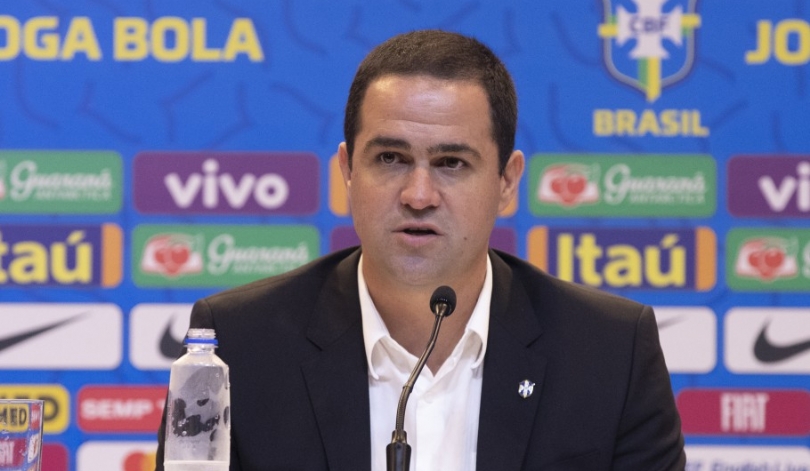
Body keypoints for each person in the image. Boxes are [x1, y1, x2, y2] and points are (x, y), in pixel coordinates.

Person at [156, 29, 685, 470]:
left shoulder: (608, 353)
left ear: (506, 181)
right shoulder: (239, 345)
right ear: (347, 170)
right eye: (390, 158)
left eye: (452, 163)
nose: (418, 195)